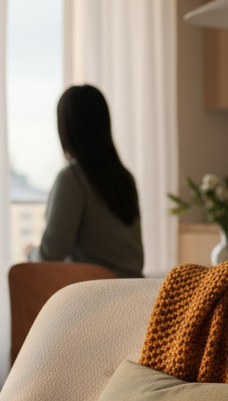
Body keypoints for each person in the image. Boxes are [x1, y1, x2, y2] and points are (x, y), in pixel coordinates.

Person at [28, 85, 144, 278]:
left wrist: (30, 252)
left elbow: (50, 255)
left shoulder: (72, 179)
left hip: (94, 298)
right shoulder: (124, 177)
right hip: (134, 295)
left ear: (66, 128)